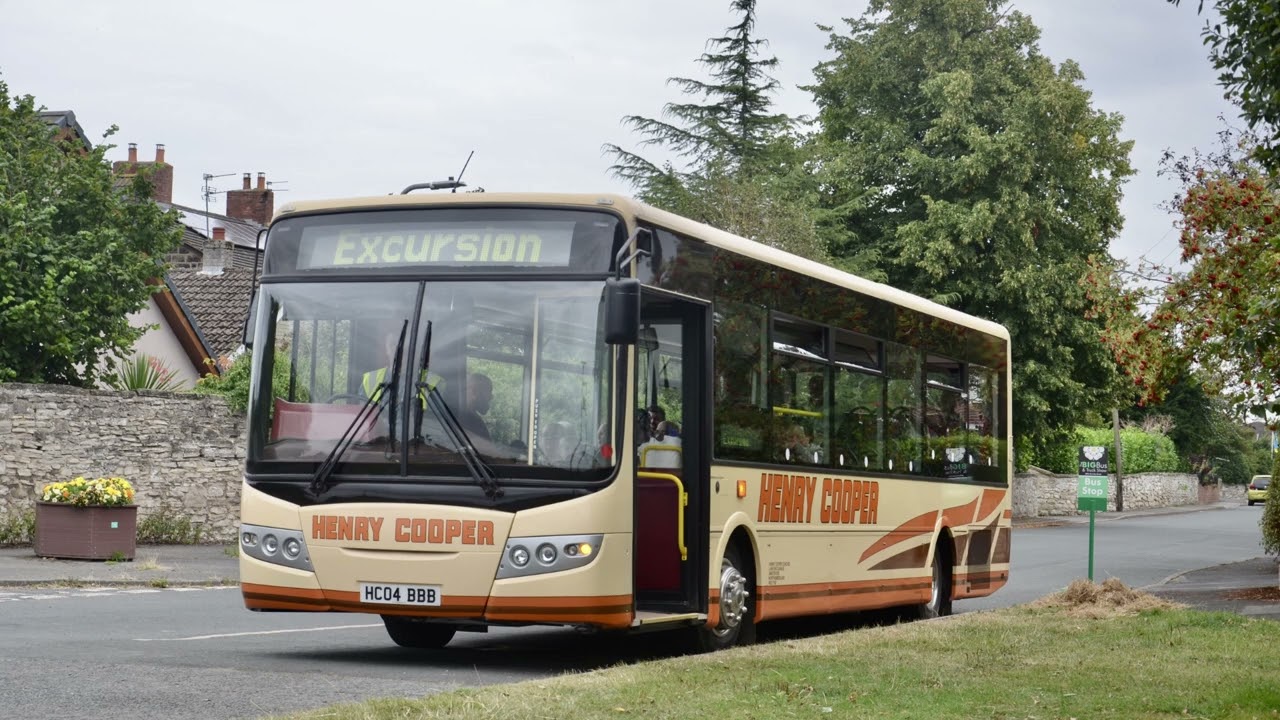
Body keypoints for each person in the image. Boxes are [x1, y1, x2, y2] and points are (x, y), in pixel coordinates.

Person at [455, 373, 493, 440]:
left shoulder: (475, 420)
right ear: (474, 392)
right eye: (489, 391)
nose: (491, 397)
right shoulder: (462, 420)